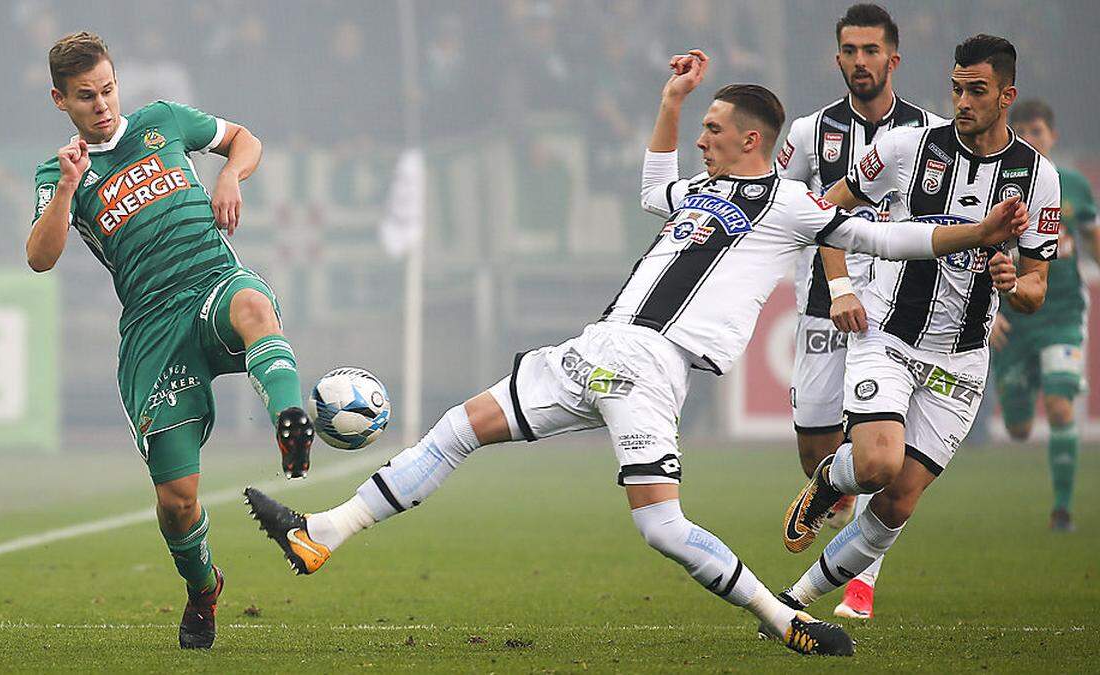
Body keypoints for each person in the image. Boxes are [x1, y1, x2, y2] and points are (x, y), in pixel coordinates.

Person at [244, 50, 1027, 657]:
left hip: (650, 362)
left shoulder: (793, 205)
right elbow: (655, 183)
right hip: (597, 347)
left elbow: (891, 236)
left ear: (752, 139)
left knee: (661, 528)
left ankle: (779, 613)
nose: (703, 143)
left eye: (714, 131)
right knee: (458, 425)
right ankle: (325, 532)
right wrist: (672, 102)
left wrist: (981, 233)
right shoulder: (699, 191)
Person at [25, 32, 316, 650]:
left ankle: (290, 417)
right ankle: (203, 587)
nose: (102, 104)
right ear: (60, 100)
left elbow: (244, 139)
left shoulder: (161, 121)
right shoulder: (58, 172)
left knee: (255, 304)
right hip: (155, 329)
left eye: (108, 89)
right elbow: (39, 258)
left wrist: (231, 177)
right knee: (177, 500)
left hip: (210, 281)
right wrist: (70, 189)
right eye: (85, 96)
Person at [776, 35, 1059, 618]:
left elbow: (1036, 288)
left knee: (899, 502)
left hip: (962, 361)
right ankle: (832, 477)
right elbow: (827, 211)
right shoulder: (906, 147)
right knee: (877, 464)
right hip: (892, 339)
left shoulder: (1039, 177)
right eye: (956, 88)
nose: (962, 101)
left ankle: (799, 598)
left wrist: (1013, 283)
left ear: (1007, 95)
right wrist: (843, 286)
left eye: (976, 91)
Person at [775, 3, 944, 620]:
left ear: (892, 59)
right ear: (837, 57)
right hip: (825, 306)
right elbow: (793, 209)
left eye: (871, 51)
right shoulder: (806, 133)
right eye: (849, 50)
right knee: (821, 455)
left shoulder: (933, 134)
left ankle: (860, 588)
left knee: (879, 453)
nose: (859, 61)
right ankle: (831, 498)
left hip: (896, 314)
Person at [993, 99, 1097, 532]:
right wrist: (989, 311)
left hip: (1061, 316)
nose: (1030, 140)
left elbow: (1091, 237)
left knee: (1059, 407)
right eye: (1021, 132)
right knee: (1017, 429)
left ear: (1052, 135)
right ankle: (1031, 376)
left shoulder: (1072, 185)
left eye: (1037, 131)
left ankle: (1061, 510)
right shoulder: (996, 186)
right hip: (1013, 322)